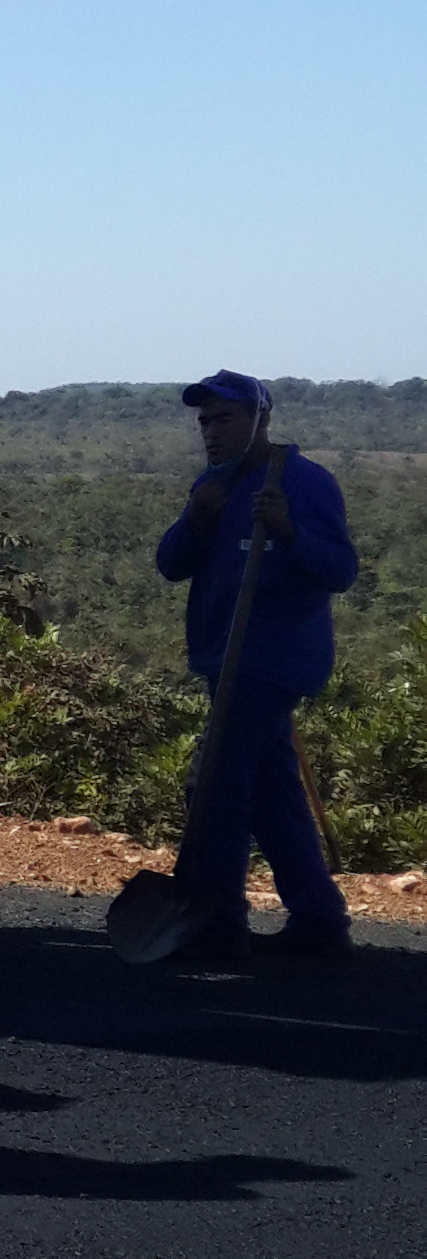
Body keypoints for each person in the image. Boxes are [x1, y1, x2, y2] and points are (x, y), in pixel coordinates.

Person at [153, 369, 357, 959]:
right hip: (225, 659)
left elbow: (340, 571)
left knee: (214, 783)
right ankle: (319, 919)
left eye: (224, 420)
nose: (211, 432)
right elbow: (170, 565)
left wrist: (291, 530)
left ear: (259, 419)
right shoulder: (213, 487)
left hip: (271, 662)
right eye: (205, 422)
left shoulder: (304, 483)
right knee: (270, 791)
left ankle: (216, 920)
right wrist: (196, 519)